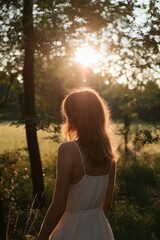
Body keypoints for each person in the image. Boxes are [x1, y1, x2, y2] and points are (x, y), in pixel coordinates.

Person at [37, 87, 118, 240]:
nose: (67, 120)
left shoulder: (69, 149)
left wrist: (42, 236)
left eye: (68, 115)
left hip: (71, 229)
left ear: (77, 116)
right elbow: (107, 204)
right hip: (99, 227)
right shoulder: (109, 155)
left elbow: (59, 204)